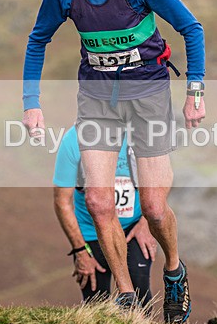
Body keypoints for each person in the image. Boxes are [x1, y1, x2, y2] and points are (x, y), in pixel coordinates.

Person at [22, 0, 206, 324]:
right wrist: (31, 103)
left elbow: (191, 28)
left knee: (155, 209)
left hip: (149, 96)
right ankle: (125, 296)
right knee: (98, 200)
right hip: (97, 98)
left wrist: (194, 94)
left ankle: (174, 270)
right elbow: (38, 39)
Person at [53, 125, 158, 307]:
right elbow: (62, 201)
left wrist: (146, 223)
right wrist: (80, 250)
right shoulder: (73, 140)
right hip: (91, 233)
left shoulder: (141, 133)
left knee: (140, 290)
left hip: (133, 229)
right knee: (96, 303)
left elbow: (163, 180)